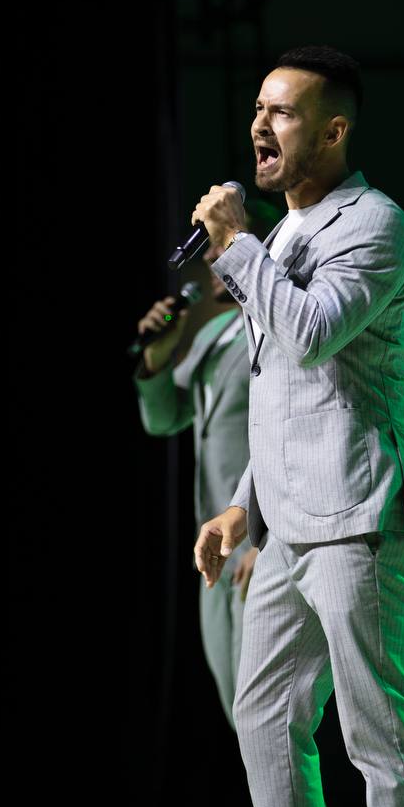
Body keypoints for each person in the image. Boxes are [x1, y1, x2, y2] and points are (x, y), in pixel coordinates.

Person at [190, 46, 404, 807]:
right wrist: (243, 505)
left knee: (381, 738)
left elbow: (308, 335)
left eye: (283, 112)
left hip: (360, 518)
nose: (260, 125)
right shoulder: (285, 236)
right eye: (258, 109)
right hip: (287, 525)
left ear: (334, 131)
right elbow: (281, 392)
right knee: (263, 717)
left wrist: (236, 245)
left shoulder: (376, 225)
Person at [133, 204, 278, 728]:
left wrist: (268, 539)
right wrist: (158, 356)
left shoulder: (273, 329)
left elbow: (288, 436)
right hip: (214, 548)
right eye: (209, 247)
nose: (213, 258)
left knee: (269, 715)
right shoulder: (214, 335)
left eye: (221, 242)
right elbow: (164, 419)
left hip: (259, 542)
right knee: (237, 711)